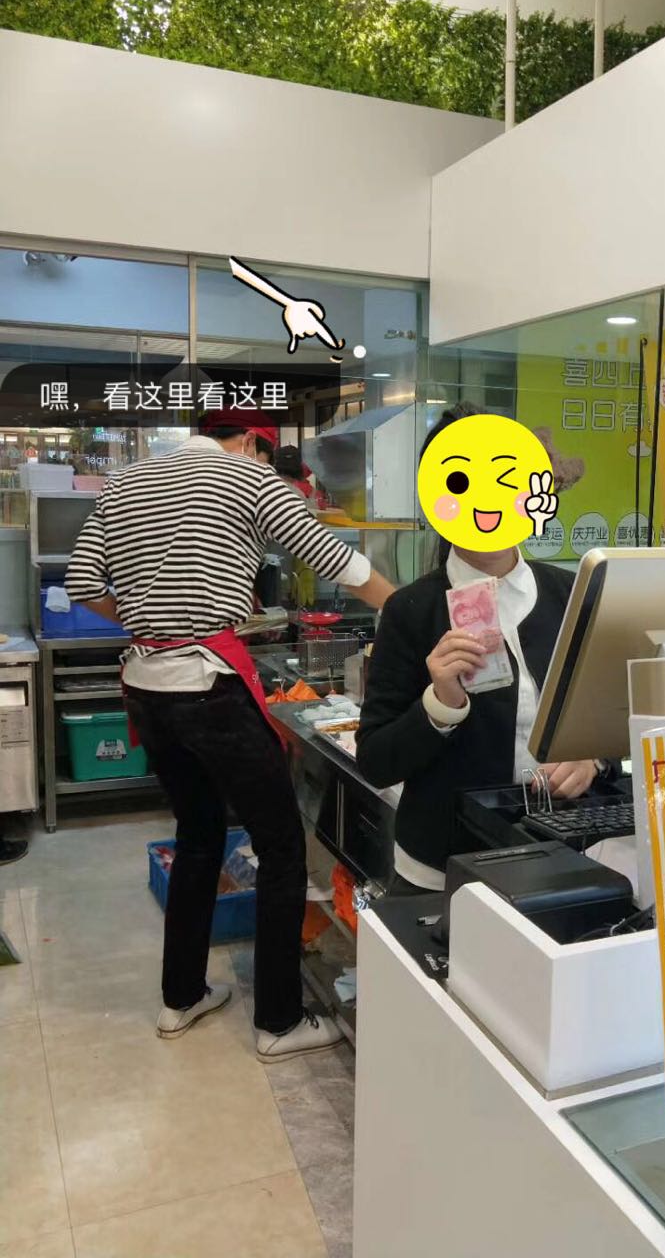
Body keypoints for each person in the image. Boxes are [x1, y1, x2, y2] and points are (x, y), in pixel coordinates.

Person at [65, 415, 395, 1060]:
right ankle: (279, 1022)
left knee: (198, 834)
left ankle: (181, 997)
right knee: (280, 845)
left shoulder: (125, 481)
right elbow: (336, 559)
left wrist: (154, 621)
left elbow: (82, 585)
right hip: (208, 688)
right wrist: (410, 613)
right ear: (251, 443)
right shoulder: (248, 475)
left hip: (146, 685)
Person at [355, 405, 612, 892]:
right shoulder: (411, 610)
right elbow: (375, 761)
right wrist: (440, 704)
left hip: (564, 854)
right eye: (462, 484)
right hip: (443, 866)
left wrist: (592, 758)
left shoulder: (572, 594)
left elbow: (614, 715)